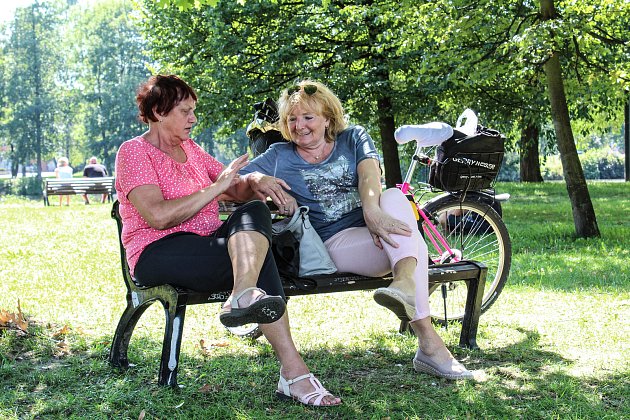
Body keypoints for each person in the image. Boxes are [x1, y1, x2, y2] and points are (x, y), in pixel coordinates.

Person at [114, 74, 341, 406]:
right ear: (159, 112)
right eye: (185, 111)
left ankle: (243, 295)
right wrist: (215, 188)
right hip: (157, 251)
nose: (193, 118)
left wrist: (257, 179)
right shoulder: (134, 152)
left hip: (207, 245)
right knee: (258, 256)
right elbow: (158, 216)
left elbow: (234, 186)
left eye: (194, 110)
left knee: (253, 211)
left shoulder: (190, 149)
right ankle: (294, 374)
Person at [241, 80, 474, 380]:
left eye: (308, 117)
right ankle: (428, 342)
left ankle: (404, 287)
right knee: (412, 240)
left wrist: (372, 211)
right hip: (334, 245)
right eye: (292, 119)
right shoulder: (279, 155)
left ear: (327, 117)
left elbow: (369, 174)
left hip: (377, 233)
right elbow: (230, 182)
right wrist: (257, 178)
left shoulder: (353, 137)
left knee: (394, 197)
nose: (299, 126)